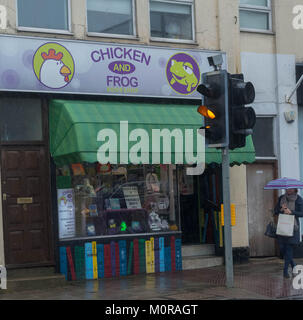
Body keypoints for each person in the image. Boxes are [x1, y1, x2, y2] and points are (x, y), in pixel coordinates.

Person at [274, 188, 303, 278]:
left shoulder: (299, 199)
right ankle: (294, 265)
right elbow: (275, 211)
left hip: (294, 228)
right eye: (287, 188)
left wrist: (291, 212)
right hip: (283, 227)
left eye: (291, 189)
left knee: (289, 248)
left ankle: (285, 271)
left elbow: (302, 213)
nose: (288, 190)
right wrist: (281, 209)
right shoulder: (281, 198)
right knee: (283, 248)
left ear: (295, 190)